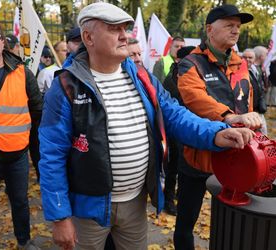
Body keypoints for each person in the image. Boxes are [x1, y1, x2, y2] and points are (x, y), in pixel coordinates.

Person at [38, 3, 255, 250]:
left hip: (135, 203)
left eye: (125, 28)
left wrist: (217, 133)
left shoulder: (142, 77)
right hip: (86, 208)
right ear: (88, 37)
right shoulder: (66, 86)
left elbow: (175, 115)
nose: (124, 35)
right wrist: (60, 216)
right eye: (113, 29)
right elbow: (51, 155)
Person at [174, 5, 261, 250]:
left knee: (231, 217)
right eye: (229, 25)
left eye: (238, 26)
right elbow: (194, 98)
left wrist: (252, 129)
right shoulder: (191, 63)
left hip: (236, 156)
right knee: (186, 223)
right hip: (197, 158)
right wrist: (228, 117)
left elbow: (248, 100)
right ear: (210, 29)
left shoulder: (240, 63)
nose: (235, 30)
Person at [0, 20, 42, 250]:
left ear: (3, 42)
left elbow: (38, 111)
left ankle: (24, 241)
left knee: (20, 201)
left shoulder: (23, 74)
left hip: (16, 154)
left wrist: (37, 151)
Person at [161, 46, 195, 216]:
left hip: (188, 127)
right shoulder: (172, 78)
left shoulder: (192, 75)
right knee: (174, 166)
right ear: (180, 61)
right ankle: (168, 199)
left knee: (185, 166)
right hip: (174, 128)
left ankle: (180, 198)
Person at [243, 48, 268, 134]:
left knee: (263, 134)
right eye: (245, 57)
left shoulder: (256, 70)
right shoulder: (238, 72)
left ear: (254, 59)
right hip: (247, 112)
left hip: (258, 110)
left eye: (250, 57)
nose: (247, 60)